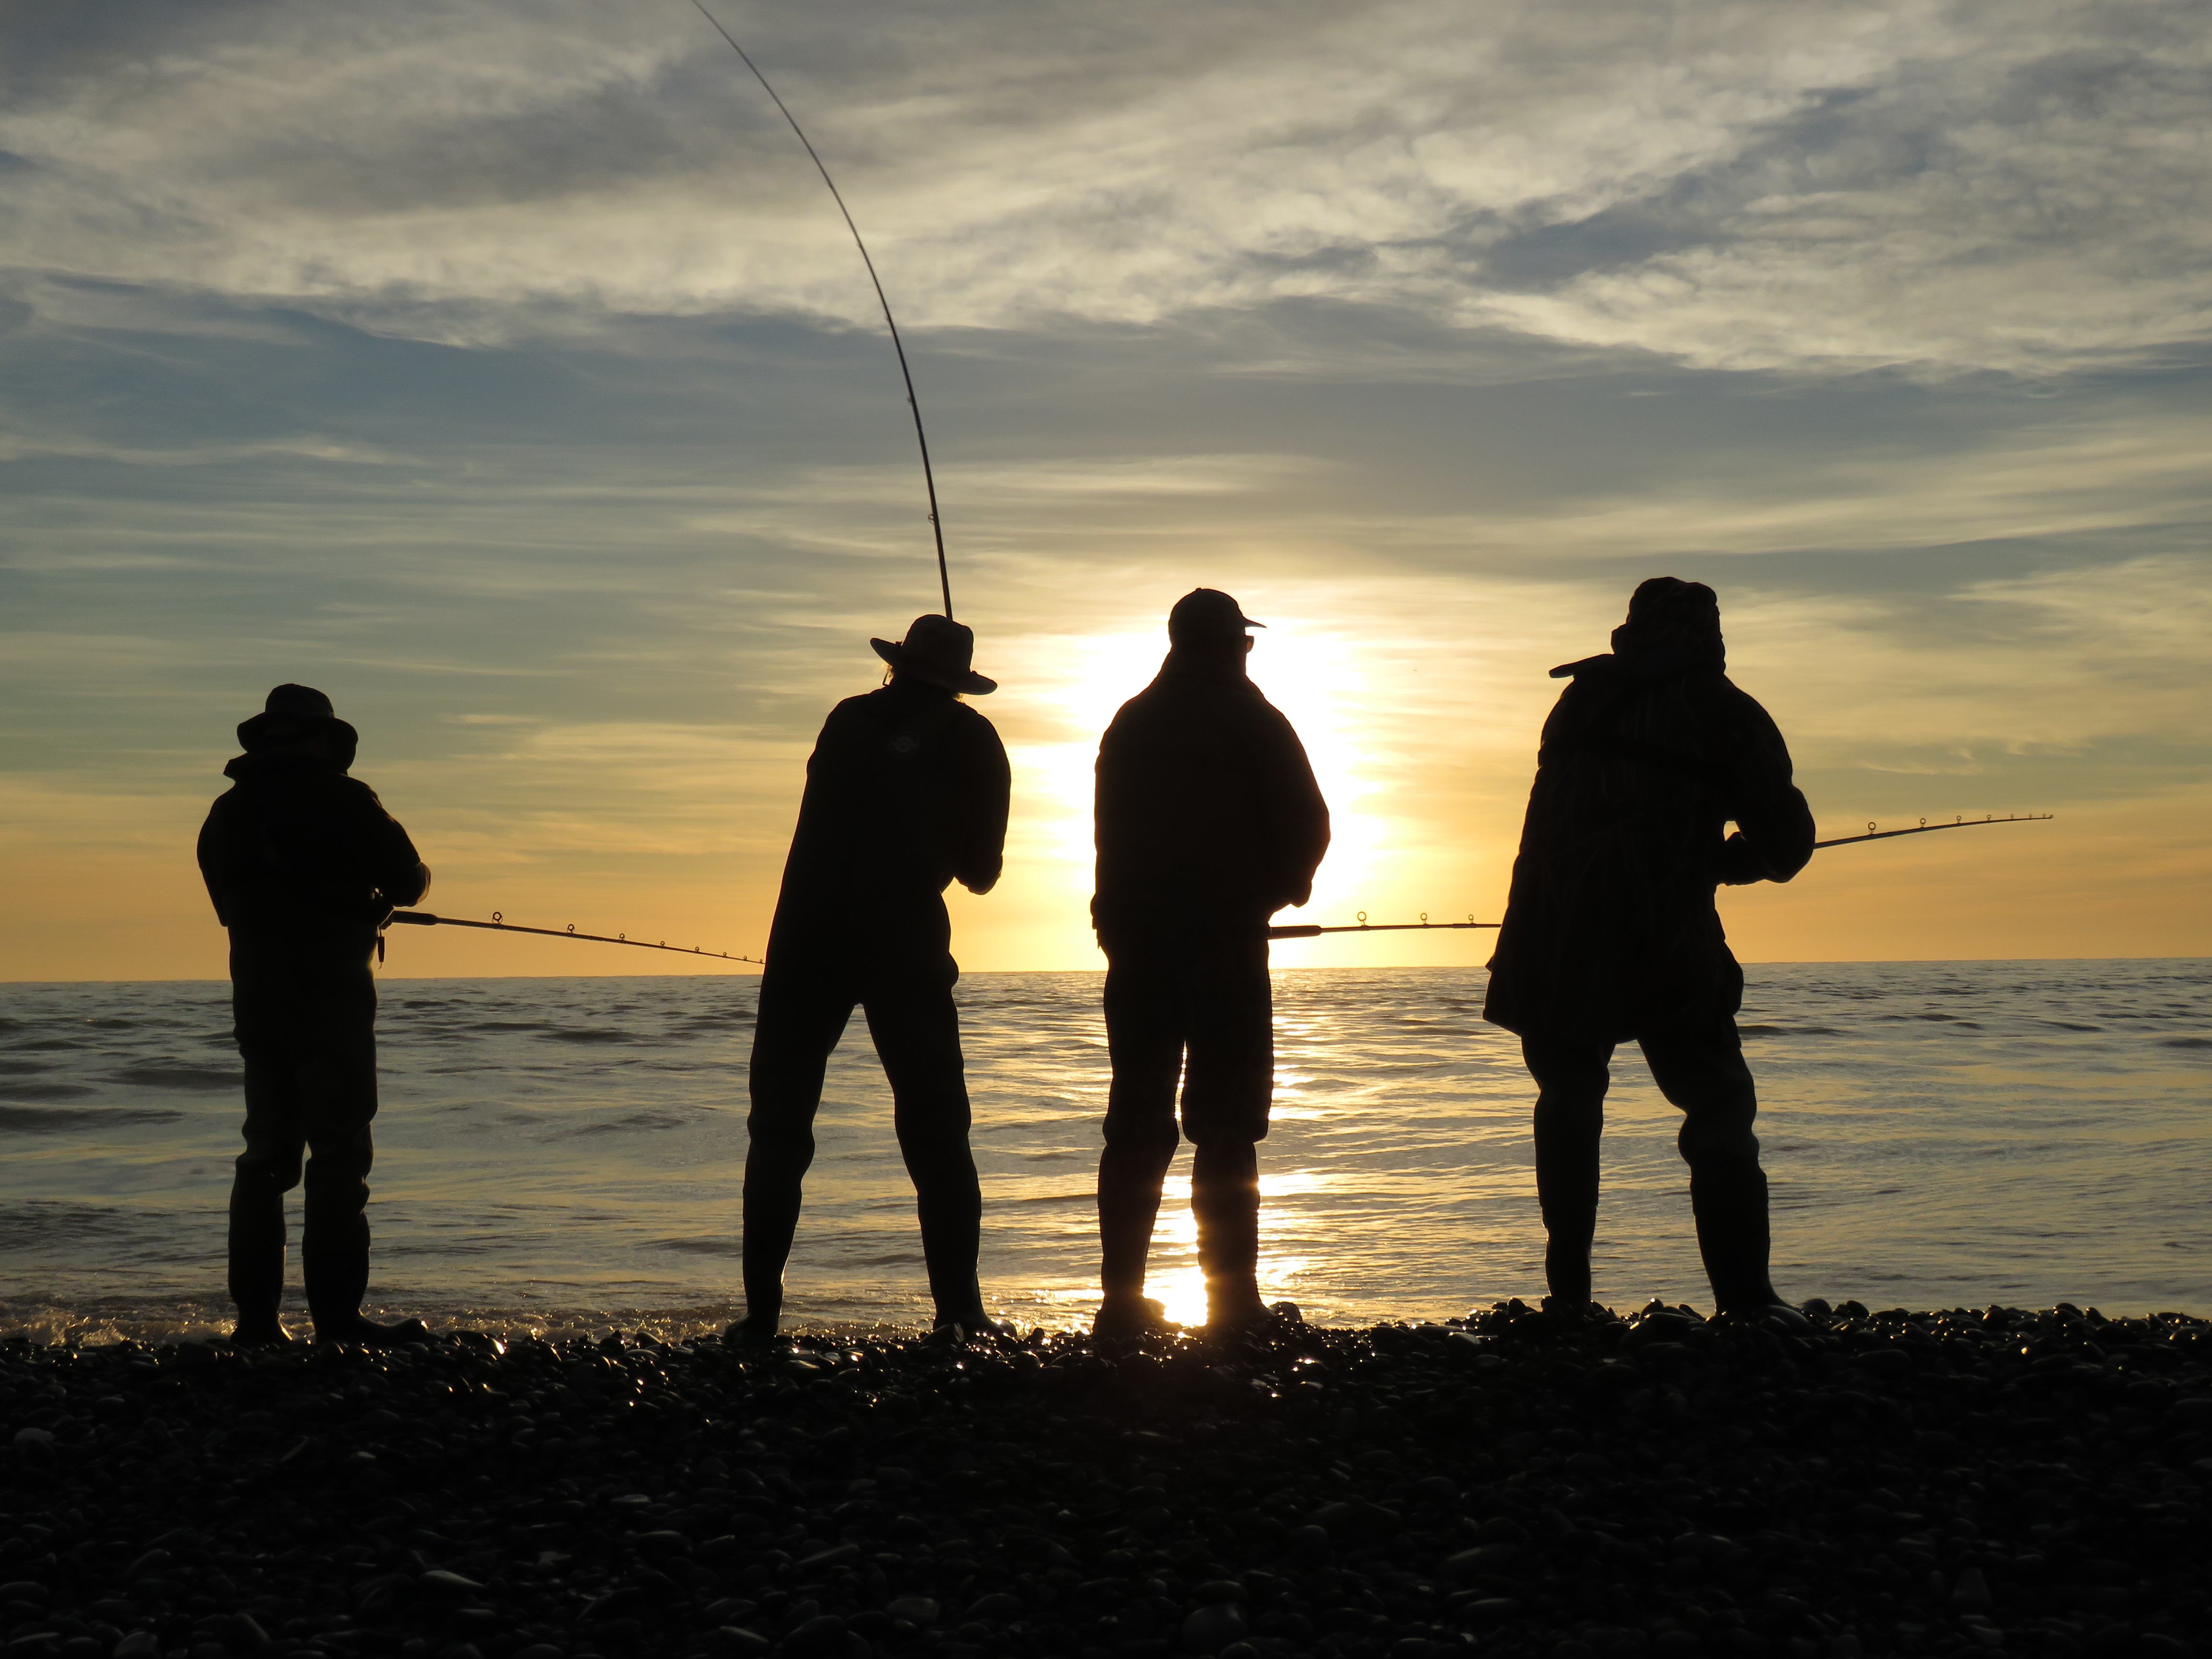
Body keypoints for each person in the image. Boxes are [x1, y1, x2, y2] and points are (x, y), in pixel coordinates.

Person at [1483, 577, 1815, 1325]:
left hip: (1548, 936)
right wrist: (1731, 861)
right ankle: (1746, 1302)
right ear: (1710, 633)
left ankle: (1568, 1298)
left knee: (1568, 1099)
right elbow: (1786, 845)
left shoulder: (1578, 700)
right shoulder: (1724, 711)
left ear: (1631, 629)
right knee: (1718, 1103)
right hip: (1660, 937)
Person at [734, 614, 1011, 1345]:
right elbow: (983, 873)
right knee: (937, 1131)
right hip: (904, 946)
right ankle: (960, 1313)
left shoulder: (847, 719)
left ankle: (761, 1319)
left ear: (897, 665)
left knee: (779, 1130)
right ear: (957, 680)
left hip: (804, 940)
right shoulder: (974, 738)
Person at [1091, 589, 1330, 1339]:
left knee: (1136, 1122)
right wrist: (1280, 892)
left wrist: (1120, 922)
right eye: (1245, 644)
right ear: (1234, 646)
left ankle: (1121, 1304)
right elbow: (1311, 825)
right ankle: (1231, 1303)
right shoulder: (1255, 721)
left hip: (1136, 949)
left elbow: (1107, 835)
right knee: (1226, 1125)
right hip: (1225, 948)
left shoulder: (1130, 722)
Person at [196, 685, 432, 1346]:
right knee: (339, 1156)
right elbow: (410, 882)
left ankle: (256, 1323)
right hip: (333, 1003)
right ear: (322, 740)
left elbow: (227, 908)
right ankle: (336, 1321)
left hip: (259, 1002)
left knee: (265, 1155)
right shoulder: (349, 801)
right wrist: (377, 900)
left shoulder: (227, 813)